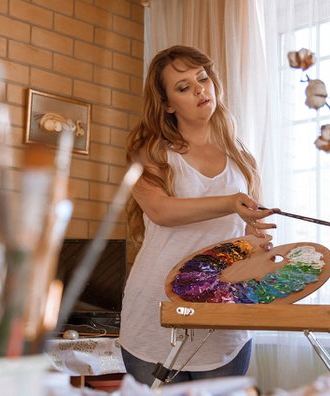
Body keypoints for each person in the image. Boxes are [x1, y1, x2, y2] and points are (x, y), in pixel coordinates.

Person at [120, 45, 276, 386]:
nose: (199, 89)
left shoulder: (242, 159)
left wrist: (258, 243)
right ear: (167, 104)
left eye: (202, 78)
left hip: (223, 316)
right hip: (155, 314)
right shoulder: (151, 153)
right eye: (183, 87)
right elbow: (161, 211)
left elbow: (247, 232)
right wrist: (229, 202)